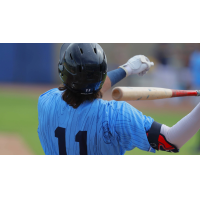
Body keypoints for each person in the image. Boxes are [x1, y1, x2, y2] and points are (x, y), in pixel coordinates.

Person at [37, 43, 200, 155]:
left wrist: (127, 69)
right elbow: (171, 140)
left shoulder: (46, 102)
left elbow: (81, 89)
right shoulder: (116, 116)